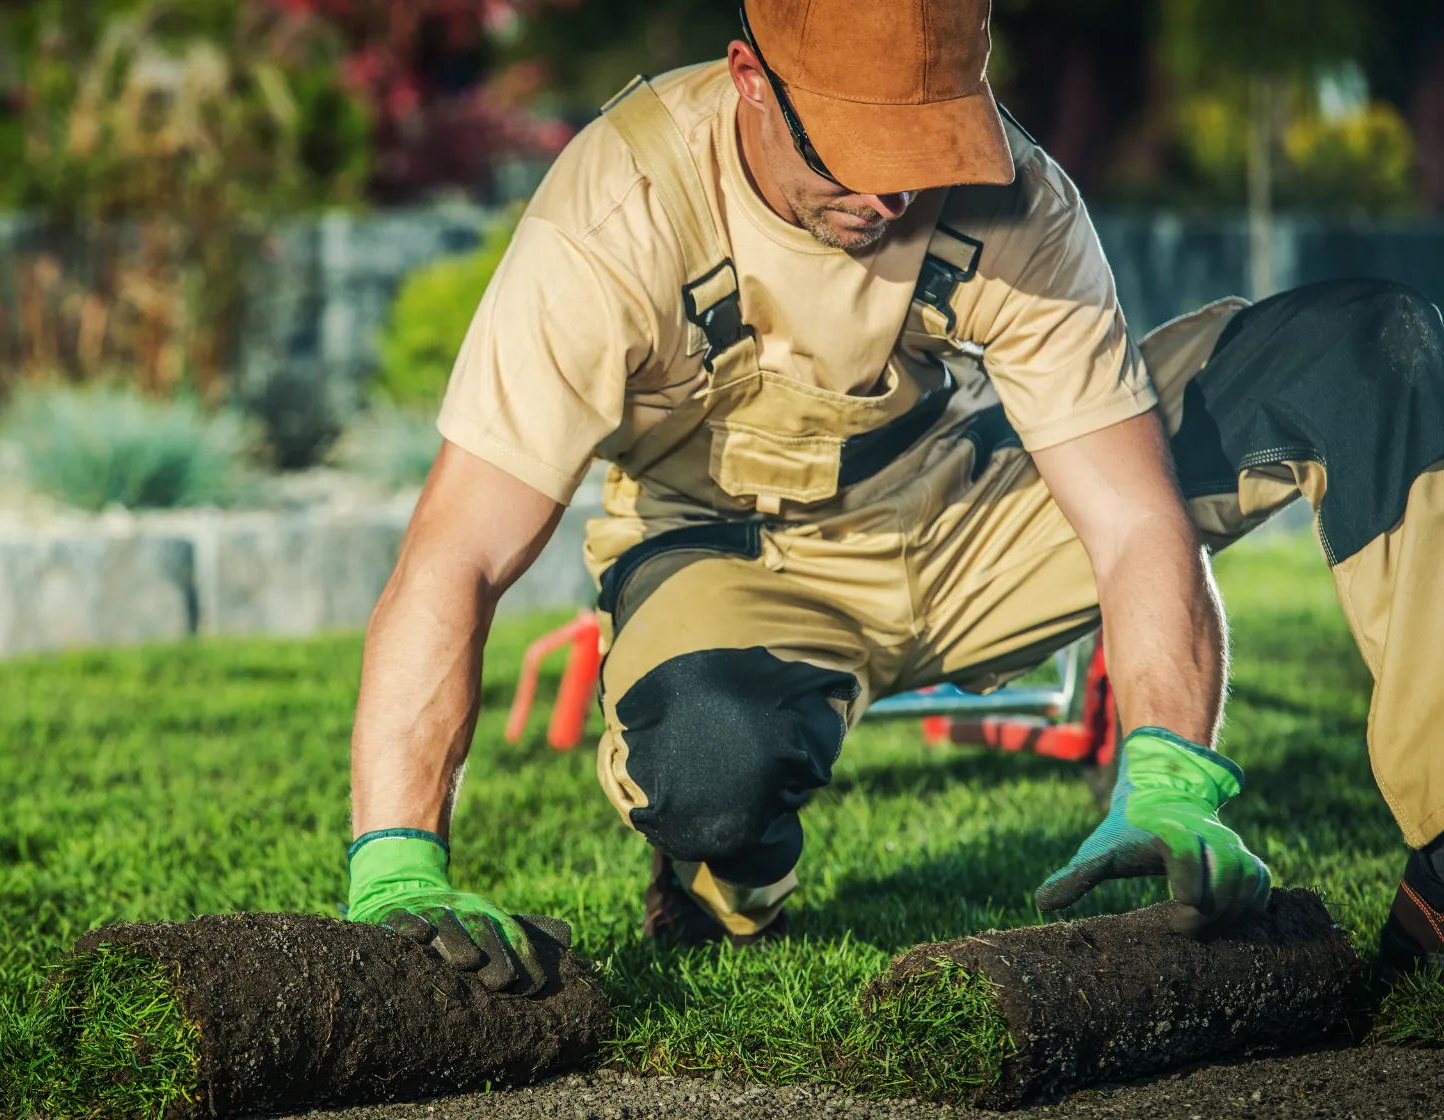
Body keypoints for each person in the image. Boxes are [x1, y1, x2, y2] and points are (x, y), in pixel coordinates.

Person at [342, 0, 1444, 994]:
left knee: (1368, 349)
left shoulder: (1021, 200)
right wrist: (397, 860)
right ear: (749, 79)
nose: (888, 195)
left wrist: (1166, 773)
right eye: (856, 151)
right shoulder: (616, 211)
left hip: (968, 507)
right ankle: (726, 879)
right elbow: (458, 552)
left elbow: (1130, 519)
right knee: (711, 766)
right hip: (734, 555)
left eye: (923, 148)